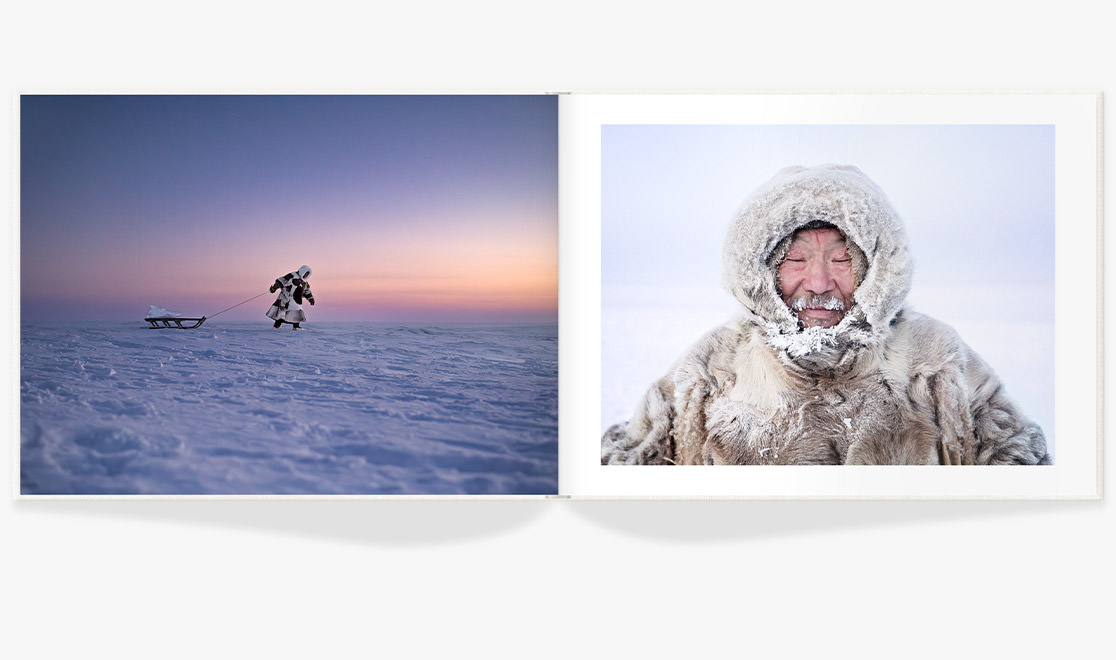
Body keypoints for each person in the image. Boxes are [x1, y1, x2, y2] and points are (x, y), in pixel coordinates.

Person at [601, 164, 1050, 466]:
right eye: (796, 260)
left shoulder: (935, 357)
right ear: (760, 271)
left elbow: (1018, 467)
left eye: (842, 261)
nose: (818, 282)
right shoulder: (711, 365)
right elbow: (630, 467)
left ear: (877, 270)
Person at [266, 265, 315, 330]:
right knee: (282, 313)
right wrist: (274, 287)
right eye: (305, 273)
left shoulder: (304, 283)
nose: (305, 275)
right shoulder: (292, 275)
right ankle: (276, 326)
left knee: (297, 313)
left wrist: (311, 299)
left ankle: (296, 327)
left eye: (307, 274)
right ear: (302, 271)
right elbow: (282, 280)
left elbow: (307, 291)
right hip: (286, 298)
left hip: (297, 301)